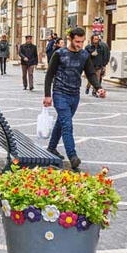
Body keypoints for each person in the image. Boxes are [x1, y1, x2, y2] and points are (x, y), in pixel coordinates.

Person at [44, 27, 106, 170]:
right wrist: (47, 95)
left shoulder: (84, 55)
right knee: (67, 124)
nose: (79, 44)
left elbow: (90, 74)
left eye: (82, 41)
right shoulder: (59, 54)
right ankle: (73, 156)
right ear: (70, 39)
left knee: (61, 122)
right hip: (60, 93)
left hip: (74, 95)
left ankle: (51, 148)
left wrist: (98, 87)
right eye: (77, 41)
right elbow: (49, 75)